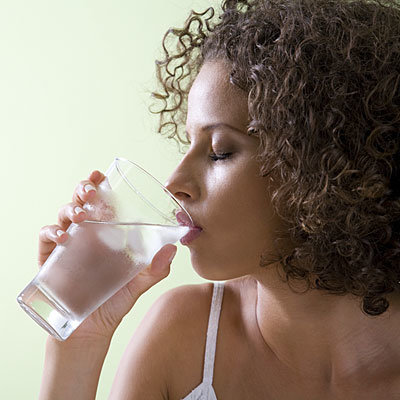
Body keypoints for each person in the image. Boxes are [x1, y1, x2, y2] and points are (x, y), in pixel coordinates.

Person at [37, 0, 400, 398]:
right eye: (188, 142)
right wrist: (77, 340)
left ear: (325, 163)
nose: (174, 182)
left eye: (220, 151)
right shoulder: (181, 336)